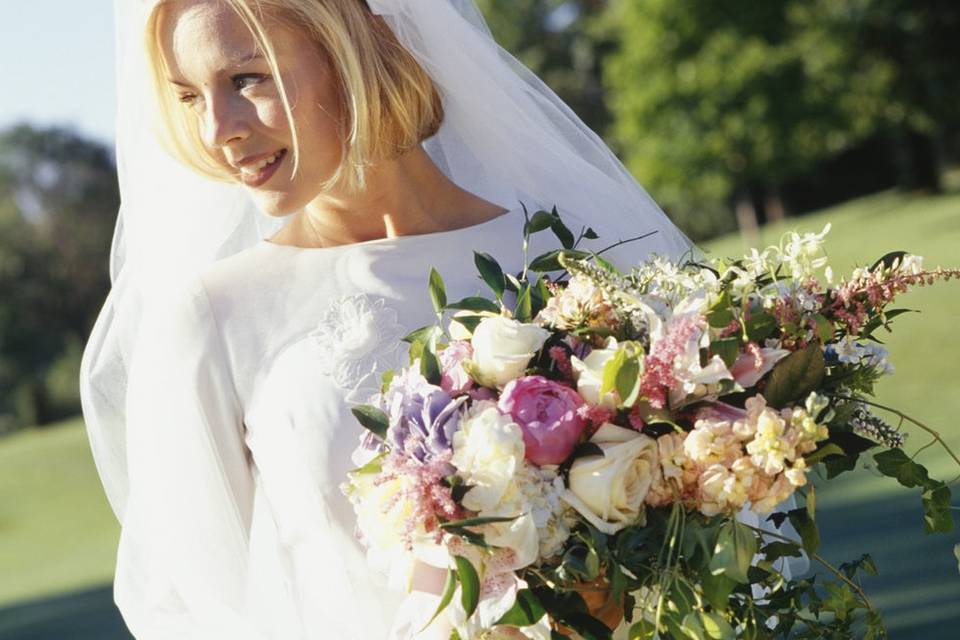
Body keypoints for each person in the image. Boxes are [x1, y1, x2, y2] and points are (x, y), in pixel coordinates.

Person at [80, 1, 693, 638]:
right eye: (189, 96)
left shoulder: (559, 258)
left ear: (355, 42)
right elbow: (186, 611)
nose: (217, 131)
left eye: (246, 79)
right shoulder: (214, 317)